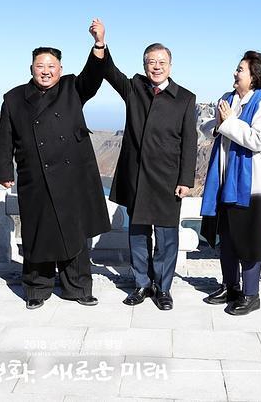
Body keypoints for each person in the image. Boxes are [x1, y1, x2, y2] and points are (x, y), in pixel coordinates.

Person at [0, 19, 111, 309]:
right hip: (35, 176)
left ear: (60, 68)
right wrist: (4, 172)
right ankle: (36, 289)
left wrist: (99, 44)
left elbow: (94, 75)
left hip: (73, 177)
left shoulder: (73, 87)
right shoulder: (14, 98)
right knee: (38, 233)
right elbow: (5, 137)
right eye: (40, 66)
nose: (45, 71)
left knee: (75, 234)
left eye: (51, 66)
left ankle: (79, 287)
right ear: (31, 68)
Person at [102, 30, 198, 311]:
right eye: (150, 62)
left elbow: (189, 142)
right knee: (138, 234)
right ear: (144, 65)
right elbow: (110, 71)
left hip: (168, 179)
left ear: (170, 65)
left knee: (167, 238)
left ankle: (163, 288)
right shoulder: (134, 88)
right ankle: (142, 284)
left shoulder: (185, 98)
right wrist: (100, 44)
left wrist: (185, 179)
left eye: (161, 62)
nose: (156, 67)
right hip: (138, 177)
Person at [200, 51, 261, 315]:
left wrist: (229, 122)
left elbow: (258, 140)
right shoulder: (228, 99)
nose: (235, 73)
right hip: (225, 182)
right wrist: (219, 123)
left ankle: (251, 294)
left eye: (240, 69)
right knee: (228, 237)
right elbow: (209, 127)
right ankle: (230, 286)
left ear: (254, 76)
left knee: (248, 239)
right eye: (236, 69)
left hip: (250, 187)